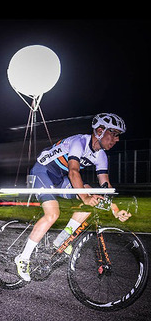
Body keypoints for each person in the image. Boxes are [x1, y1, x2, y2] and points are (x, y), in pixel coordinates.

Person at [15, 113, 132, 282]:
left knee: (91, 194)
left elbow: (105, 187)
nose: (117, 139)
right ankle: (23, 258)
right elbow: (73, 172)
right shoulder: (79, 142)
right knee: (53, 213)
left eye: (118, 135)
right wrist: (84, 197)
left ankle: (61, 241)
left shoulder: (101, 156)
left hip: (60, 178)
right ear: (99, 131)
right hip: (42, 171)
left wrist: (115, 209)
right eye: (114, 134)